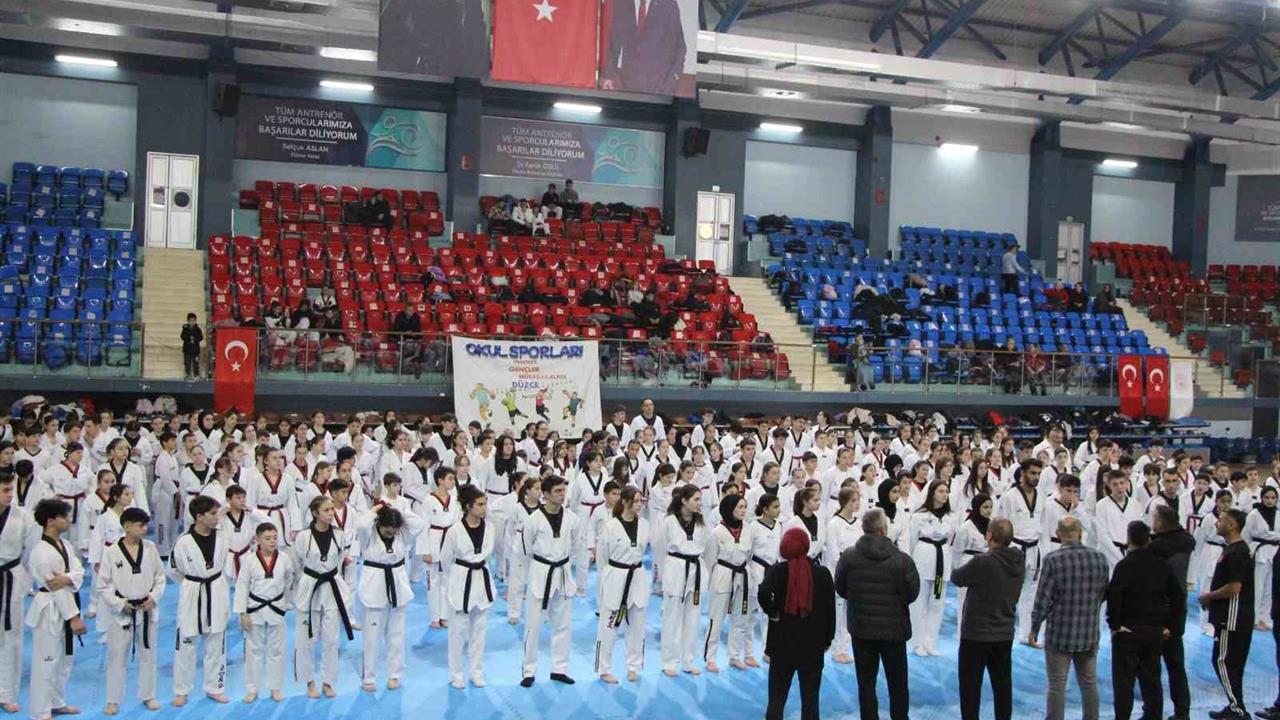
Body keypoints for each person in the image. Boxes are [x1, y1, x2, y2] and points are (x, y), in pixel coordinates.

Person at [833, 507, 920, 720]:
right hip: (894, 631)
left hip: (862, 630)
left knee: (866, 684)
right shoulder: (902, 560)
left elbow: (841, 588)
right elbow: (912, 593)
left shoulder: (849, 558)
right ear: (883, 529)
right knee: (898, 684)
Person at [1029, 515, 1109, 720]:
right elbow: (1103, 594)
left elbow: (1043, 599)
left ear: (1058, 534)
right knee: (1089, 683)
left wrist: (1034, 628)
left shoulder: (1052, 560)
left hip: (1060, 633)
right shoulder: (1100, 559)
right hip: (1089, 632)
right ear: (1081, 533)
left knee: (1057, 684)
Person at [1106, 520, 1185, 720]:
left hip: (1128, 632)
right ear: (1148, 540)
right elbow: (1178, 597)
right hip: (1154, 631)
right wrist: (1170, 626)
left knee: (1124, 684)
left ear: (1129, 539)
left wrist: (1115, 625)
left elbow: (1114, 597)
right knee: (1152, 682)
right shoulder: (1162, 565)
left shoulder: (1124, 566)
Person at [758, 526, 835, 720]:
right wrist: (828, 639)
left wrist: (773, 612)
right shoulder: (823, 573)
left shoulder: (777, 571)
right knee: (811, 700)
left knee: (776, 698)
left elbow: (763, 593)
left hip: (782, 644)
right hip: (813, 644)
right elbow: (830, 609)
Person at [950, 517, 1022, 720]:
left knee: (970, 688)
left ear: (989, 535)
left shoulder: (983, 561)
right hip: (1004, 633)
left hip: (976, 635)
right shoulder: (1019, 561)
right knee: (1003, 687)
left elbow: (957, 578)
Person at [98, 507, 165, 715]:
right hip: (122, 612)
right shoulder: (111, 552)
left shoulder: (151, 548)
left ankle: (149, 695)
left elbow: (160, 577)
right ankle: (112, 700)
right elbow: (103, 586)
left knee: (149, 654)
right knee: (117, 657)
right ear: (127, 527)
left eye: (146, 525)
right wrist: (119, 603)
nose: (145, 529)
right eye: (140, 525)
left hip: (146, 609)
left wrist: (154, 597)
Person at [26, 499, 87, 720]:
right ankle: (40, 712)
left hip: (67, 602)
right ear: (51, 521)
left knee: (64, 660)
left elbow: (79, 571)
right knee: (47, 661)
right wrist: (74, 617)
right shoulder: (41, 553)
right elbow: (55, 588)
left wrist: (68, 577)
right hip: (49, 609)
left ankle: (57, 702)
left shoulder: (66, 545)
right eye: (64, 517)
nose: (69, 520)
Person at [169, 495, 229, 706]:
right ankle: (181, 690)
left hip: (216, 588)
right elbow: (173, 570)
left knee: (217, 641)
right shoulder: (183, 541)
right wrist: (190, 584)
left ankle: (215, 688)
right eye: (212, 514)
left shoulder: (222, 536)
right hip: (192, 590)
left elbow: (225, 561)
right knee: (186, 641)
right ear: (199, 516)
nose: (217, 517)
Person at [359, 502, 425, 692]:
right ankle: (369, 677)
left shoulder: (402, 533)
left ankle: (395, 674)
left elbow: (419, 524)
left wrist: (401, 511)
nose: (391, 534)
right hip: (374, 584)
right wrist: (375, 510)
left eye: (394, 531)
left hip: (397, 583)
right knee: (372, 636)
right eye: (388, 530)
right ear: (379, 524)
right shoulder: (368, 534)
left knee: (397, 634)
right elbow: (361, 524)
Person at [520, 475, 579, 687]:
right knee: (533, 625)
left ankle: (559, 669)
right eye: (557, 491)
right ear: (545, 494)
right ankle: (529, 671)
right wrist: (536, 570)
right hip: (540, 572)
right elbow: (525, 550)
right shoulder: (533, 520)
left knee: (563, 624)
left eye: (563, 490)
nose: (562, 495)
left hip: (562, 571)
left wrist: (564, 563)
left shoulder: (572, 519)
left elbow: (575, 546)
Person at [293, 495, 354, 698]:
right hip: (310, 586)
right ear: (315, 513)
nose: (331, 513)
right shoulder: (303, 537)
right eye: (326, 510)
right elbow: (297, 564)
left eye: (332, 509)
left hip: (332, 587)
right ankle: (309, 681)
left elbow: (340, 560)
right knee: (306, 640)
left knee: (332, 639)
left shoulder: (339, 534)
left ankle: (328, 681)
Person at [1199, 508, 1254, 720]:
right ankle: (1235, 705)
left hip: (1232, 617)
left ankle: (1237, 708)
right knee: (1231, 663)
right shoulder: (1233, 549)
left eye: (1221, 520)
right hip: (1234, 616)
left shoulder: (1237, 552)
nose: (1217, 522)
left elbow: (1234, 587)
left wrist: (1209, 596)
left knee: (1222, 661)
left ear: (1232, 525)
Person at [441, 484, 496, 689]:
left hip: (481, 578)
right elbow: (446, 560)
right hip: (461, 579)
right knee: (457, 632)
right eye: (480, 504)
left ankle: (476, 672)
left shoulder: (490, 527)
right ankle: (456, 674)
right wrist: (456, 577)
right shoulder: (454, 531)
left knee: (479, 631)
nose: (484, 508)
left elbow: (488, 553)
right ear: (468, 507)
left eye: (485, 504)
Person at [594, 485, 650, 683]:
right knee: (608, 626)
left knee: (637, 625)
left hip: (637, 576)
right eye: (636, 501)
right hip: (615, 575)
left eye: (641, 501)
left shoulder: (645, 525)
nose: (640, 504)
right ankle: (603, 668)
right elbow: (602, 557)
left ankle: (634, 666)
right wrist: (608, 577)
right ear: (625, 502)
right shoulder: (610, 526)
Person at [234, 522, 296, 703]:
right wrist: (242, 613)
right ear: (257, 540)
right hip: (255, 608)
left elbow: (289, 579)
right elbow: (242, 585)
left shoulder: (284, 558)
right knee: (253, 651)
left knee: (277, 650)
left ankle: (275, 688)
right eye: (267, 538)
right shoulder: (249, 560)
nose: (272, 541)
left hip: (276, 607)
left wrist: (286, 602)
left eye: (275, 538)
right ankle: (252, 689)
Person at [1149, 504, 1196, 720]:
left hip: (1159, 610)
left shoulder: (1156, 547)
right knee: (1176, 664)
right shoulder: (1187, 541)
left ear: (1160, 523)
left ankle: (1153, 712)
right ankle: (1182, 712)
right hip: (1179, 609)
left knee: (1151, 666)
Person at [660, 483, 706, 677]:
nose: (699, 502)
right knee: (672, 617)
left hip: (696, 568)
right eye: (696, 499)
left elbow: (706, 547)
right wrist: (665, 573)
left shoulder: (701, 522)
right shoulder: (669, 521)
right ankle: (669, 661)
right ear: (684, 500)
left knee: (693, 617)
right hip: (676, 567)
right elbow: (661, 548)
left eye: (700, 499)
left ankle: (688, 660)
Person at [704, 493, 753, 672]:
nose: (743, 510)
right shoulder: (717, 532)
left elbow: (750, 554)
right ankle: (710, 658)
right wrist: (712, 581)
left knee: (740, 619)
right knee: (716, 619)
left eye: (745, 507)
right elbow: (709, 560)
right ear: (729, 509)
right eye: (740, 507)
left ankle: (734, 655)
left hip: (742, 575)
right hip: (722, 576)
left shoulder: (748, 529)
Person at [600, 0, 687, 95]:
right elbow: (613, 42)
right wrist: (608, 76)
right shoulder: (623, 3)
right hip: (628, 86)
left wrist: (672, 81)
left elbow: (680, 48)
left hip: (659, 87)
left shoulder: (667, 4)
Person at [181, 313, 203, 380]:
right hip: (187, 349)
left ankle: (196, 375)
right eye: (191, 320)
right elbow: (182, 337)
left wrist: (195, 339)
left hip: (195, 350)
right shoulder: (185, 328)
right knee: (187, 363)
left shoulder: (198, 329)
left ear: (195, 321)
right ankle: (188, 375)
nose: (192, 322)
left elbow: (201, 337)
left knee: (196, 363)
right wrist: (188, 337)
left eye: (193, 320)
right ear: (188, 321)